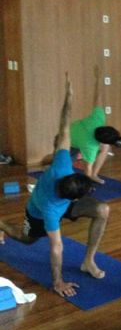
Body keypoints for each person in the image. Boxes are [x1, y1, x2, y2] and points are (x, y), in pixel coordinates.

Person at [0, 73, 110, 297]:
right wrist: (58, 281)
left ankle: (88, 261)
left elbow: (64, 127)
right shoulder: (49, 211)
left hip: (64, 204)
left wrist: (69, 97)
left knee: (102, 209)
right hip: (38, 213)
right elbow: (56, 247)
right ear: (75, 198)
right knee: (26, 239)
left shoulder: (62, 165)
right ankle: (1, 224)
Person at [70, 65, 121, 184]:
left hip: (75, 134)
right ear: (99, 141)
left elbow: (97, 97)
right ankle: (52, 166)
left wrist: (98, 78)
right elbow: (87, 168)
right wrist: (88, 186)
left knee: (105, 148)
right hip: (67, 142)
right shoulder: (90, 146)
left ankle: (95, 174)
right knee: (62, 168)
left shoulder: (98, 119)